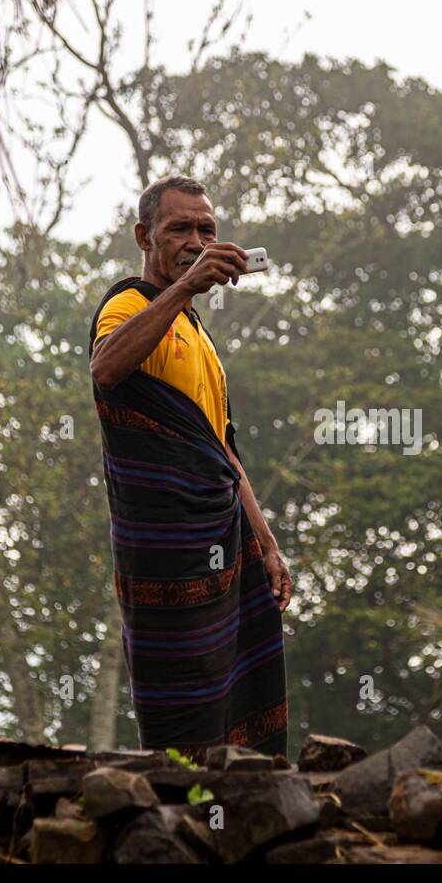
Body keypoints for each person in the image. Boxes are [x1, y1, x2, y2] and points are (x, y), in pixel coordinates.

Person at [89, 175, 292, 759]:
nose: (196, 241)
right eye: (180, 228)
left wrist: (268, 542)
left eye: (207, 231)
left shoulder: (201, 339)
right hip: (166, 541)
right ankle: (178, 810)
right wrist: (184, 289)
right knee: (182, 692)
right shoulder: (129, 302)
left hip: (225, 537)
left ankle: (247, 806)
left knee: (246, 681)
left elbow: (222, 451)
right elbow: (107, 367)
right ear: (144, 236)